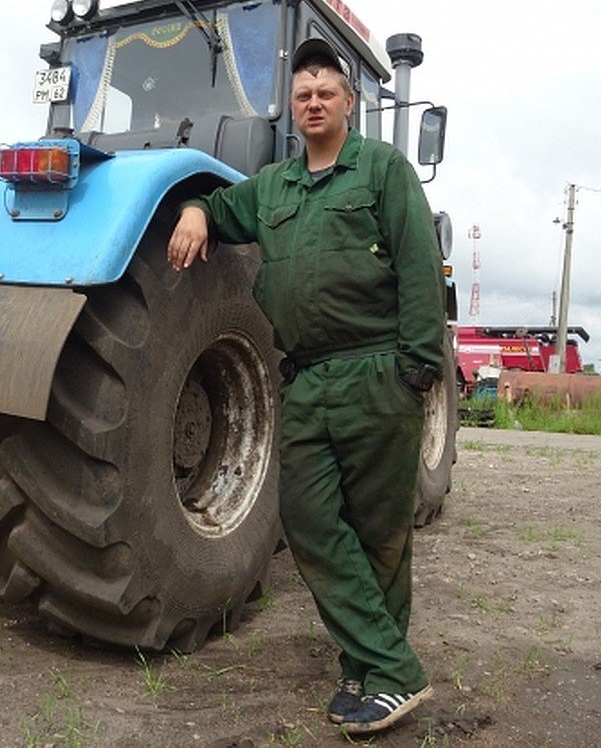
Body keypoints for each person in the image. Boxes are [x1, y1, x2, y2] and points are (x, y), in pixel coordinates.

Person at [167, 37, 443, 736]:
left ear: (348, 103)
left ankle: (369, 671)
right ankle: (394, 669)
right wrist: (196, 210)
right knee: (310, 520)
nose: (313, 102)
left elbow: (418, 263)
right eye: (302, 95)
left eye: (325, 92)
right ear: (292, 109)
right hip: (307, 377)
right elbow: (220, 205)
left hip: (377, 370)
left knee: (380, 534)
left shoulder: (383, 169)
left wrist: (417, 368)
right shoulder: (273, 187)